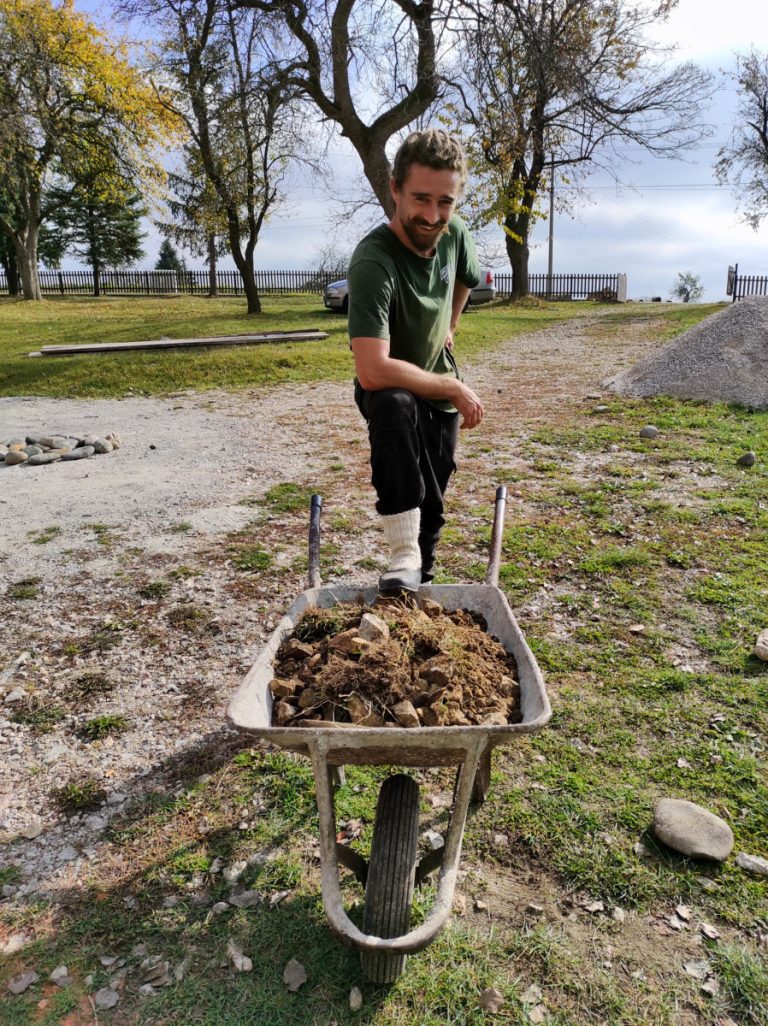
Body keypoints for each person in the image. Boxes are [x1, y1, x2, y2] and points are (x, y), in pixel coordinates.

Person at [348, 128, 484, 594]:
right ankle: (402, 556)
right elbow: (372, 370)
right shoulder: (373, 261)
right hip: (395, 388)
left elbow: (467, 276)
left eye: (444, 202)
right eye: (421, 199)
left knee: (434, 504)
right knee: (392, 403)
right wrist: (452, 386)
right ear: (395, 190)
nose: (432, 216)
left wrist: (451, 323)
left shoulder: (455, 233)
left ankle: (416, 589)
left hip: (438, 387)